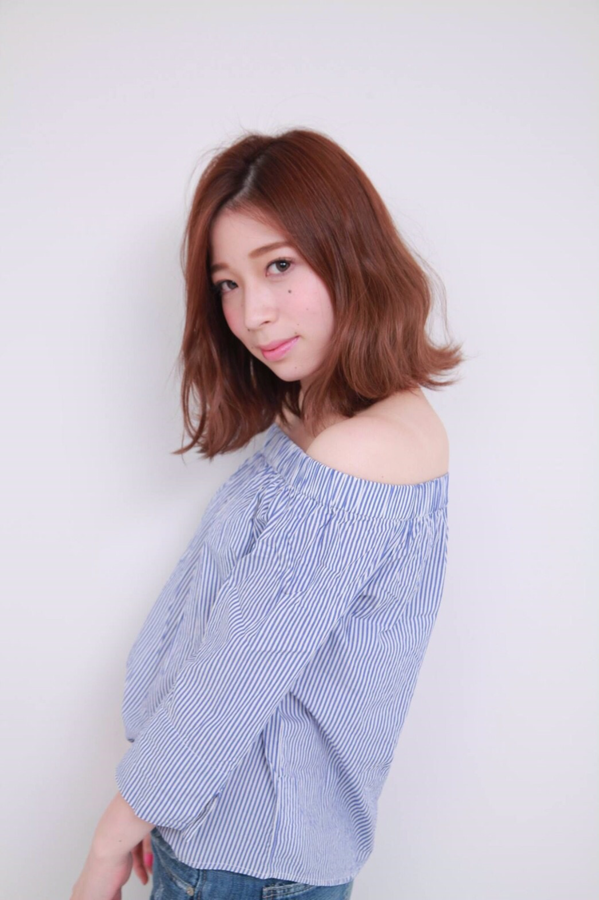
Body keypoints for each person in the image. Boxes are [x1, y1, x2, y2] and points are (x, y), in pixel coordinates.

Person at [70, 127, 464, 900]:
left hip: (240, 863)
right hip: (215, 829)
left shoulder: (359, 456)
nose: (252, 313)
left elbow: (230, 684)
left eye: (278, 265)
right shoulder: (328, 422)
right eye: (227, 283)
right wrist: (158, 803)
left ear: (349, 253)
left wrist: (108, 843)